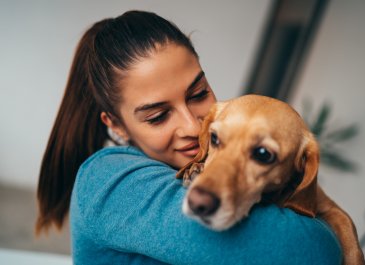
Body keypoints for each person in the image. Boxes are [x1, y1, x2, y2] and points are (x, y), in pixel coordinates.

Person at [36, 10, 342, 265]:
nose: (196, 128)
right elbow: (314, 251)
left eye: (198, 94)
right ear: (117, 126)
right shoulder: (107, 179)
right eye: (158, 116)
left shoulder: (215, 152)